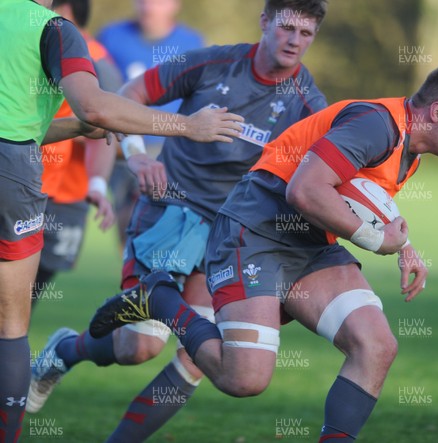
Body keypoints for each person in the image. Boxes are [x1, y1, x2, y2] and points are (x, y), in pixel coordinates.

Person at [89, 62, 438, 441]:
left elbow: (360, 195)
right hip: (256, 230)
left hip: (311, 244)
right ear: (437, 111)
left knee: (376, 345)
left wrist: (404, 246)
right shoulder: (376, 124)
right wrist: (376, 240)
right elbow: (305, 189)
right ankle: (161, 298)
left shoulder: (407, 146)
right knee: (243, 379)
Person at [29, 0, 328, 441]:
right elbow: (127, 96)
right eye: (286, 28)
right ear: (264, 22)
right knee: (139, 347)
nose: (294, 41)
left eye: (306, 34)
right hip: (172, 207)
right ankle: (65, 351)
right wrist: (136, 156)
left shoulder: (308, 103)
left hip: (230, 232)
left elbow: (325, 172)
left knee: (199, 356)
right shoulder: (213, 63)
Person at [0, 0, 241, 440]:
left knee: (183, 351)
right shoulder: (58, 30)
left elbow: (26, 122)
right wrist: (187, 127)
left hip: (23, 164)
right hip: (16, 180)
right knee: (12, 331)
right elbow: (98, 107)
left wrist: (74, 129)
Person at [32, 0, 121, 309]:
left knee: (27, 290)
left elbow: (112, 125)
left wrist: (99, 181)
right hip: (29, 183)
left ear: (66, 14)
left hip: (64, 196)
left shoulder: (96, 63)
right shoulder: (35, 46)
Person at [97, 0, 205, 249]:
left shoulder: (191, 42)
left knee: (165, 220)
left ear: (175, 5)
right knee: (128, 220)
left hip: (168, 146)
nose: (148, 6)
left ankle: (160, 280)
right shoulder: (111, 37)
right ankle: (132, 280)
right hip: (122, 144)